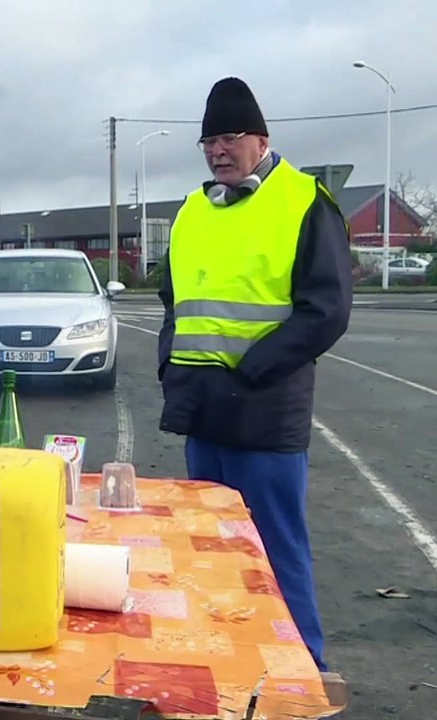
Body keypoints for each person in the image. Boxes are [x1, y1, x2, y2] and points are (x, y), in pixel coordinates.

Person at [157, 77, 353, 672]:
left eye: (231, 137)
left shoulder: (304, 201)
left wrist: (255, 367)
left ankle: (303, 672)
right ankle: (230, 661)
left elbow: (327, 309)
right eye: (209, 140)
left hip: (266, 411)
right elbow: (174, 301)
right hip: (202, 411)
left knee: (275, 548)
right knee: (210, 551)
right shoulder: (192, 210)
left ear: (261, 139)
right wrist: (169, 362)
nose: (219, 150)